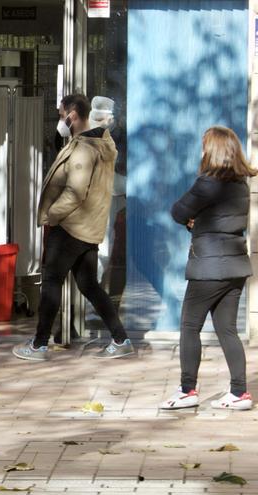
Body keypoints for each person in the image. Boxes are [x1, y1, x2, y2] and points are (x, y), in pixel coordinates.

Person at [13, 94, 135, 361]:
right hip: (86, 225)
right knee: (88, 284)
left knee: (52, 281)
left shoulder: (83, 148)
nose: (60, 120)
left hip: (71, 226)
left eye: (60, 115)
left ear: (72, 115)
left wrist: (53, 215)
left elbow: (75, 191)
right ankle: (120, 338)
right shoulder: (98, 143)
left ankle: (39, 344)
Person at [160, 126, 255, 411]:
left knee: (190, 325)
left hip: (209, 267)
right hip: (236, 265)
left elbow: (178, 211)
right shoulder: (240, 184)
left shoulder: (208, 183)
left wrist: (193, 221)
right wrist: (199, 222)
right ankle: (239, 392)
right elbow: (223, 221)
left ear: (212, 151)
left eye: (204, 146)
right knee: (227, 329)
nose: (201, 152)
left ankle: (188, 390)